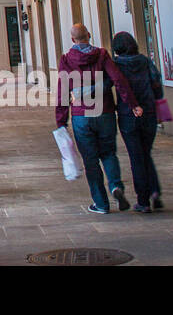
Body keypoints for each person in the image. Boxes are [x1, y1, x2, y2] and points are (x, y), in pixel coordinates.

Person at [55, 24, 141, 214]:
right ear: (89, 36)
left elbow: (62, 90)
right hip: (105, 112)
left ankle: (101, 204)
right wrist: (132, 103)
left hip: (81, 116)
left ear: (72, 40)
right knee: (109, 153)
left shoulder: (67, 60)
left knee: (90, 161)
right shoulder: (102, 55)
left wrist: (61, 121)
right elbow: (118, 79)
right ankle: (115, 186)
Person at [111, 31, 164, 212]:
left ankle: (143, 201)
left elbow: (110, 84)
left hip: (128, 115)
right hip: (149, 112)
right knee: (146, 153)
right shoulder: (145, 61)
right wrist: (156, 101)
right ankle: (155, 192)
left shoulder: (116, 65)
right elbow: (156, 83)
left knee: (136, 157)